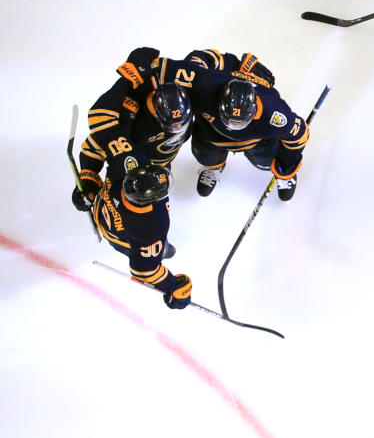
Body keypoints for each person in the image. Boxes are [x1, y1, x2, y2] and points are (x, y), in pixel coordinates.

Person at [149, 52, 310, 201]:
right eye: (230, 119)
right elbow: (163, 67)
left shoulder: (275, 113)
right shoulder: (205, 84)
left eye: (239, 122)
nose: (233, 126)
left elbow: (300, 134)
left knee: (266, 161)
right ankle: (214, 167)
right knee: (206, 155)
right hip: (211, 133)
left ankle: (285, 176)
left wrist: (286, 166)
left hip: (256, 140)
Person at [71, 47, 193, 213]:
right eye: (172, 125)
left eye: (181, 124)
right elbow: (96, 146)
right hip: (132, 174)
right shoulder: (130, 120)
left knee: (156, 214)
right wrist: (88, 181)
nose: (177, 129)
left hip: (160, 169)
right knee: (129, 213)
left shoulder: (185, 99)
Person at [90, 163, 192, 310]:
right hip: (122, 237)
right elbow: (144, 270)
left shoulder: (125, 160)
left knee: (151, 245)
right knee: (153, 250)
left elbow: (99, 142)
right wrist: (174, 287)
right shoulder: (151, 228)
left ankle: (152, 250)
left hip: (103, 208)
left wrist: (88, 178)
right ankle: (153, 250)